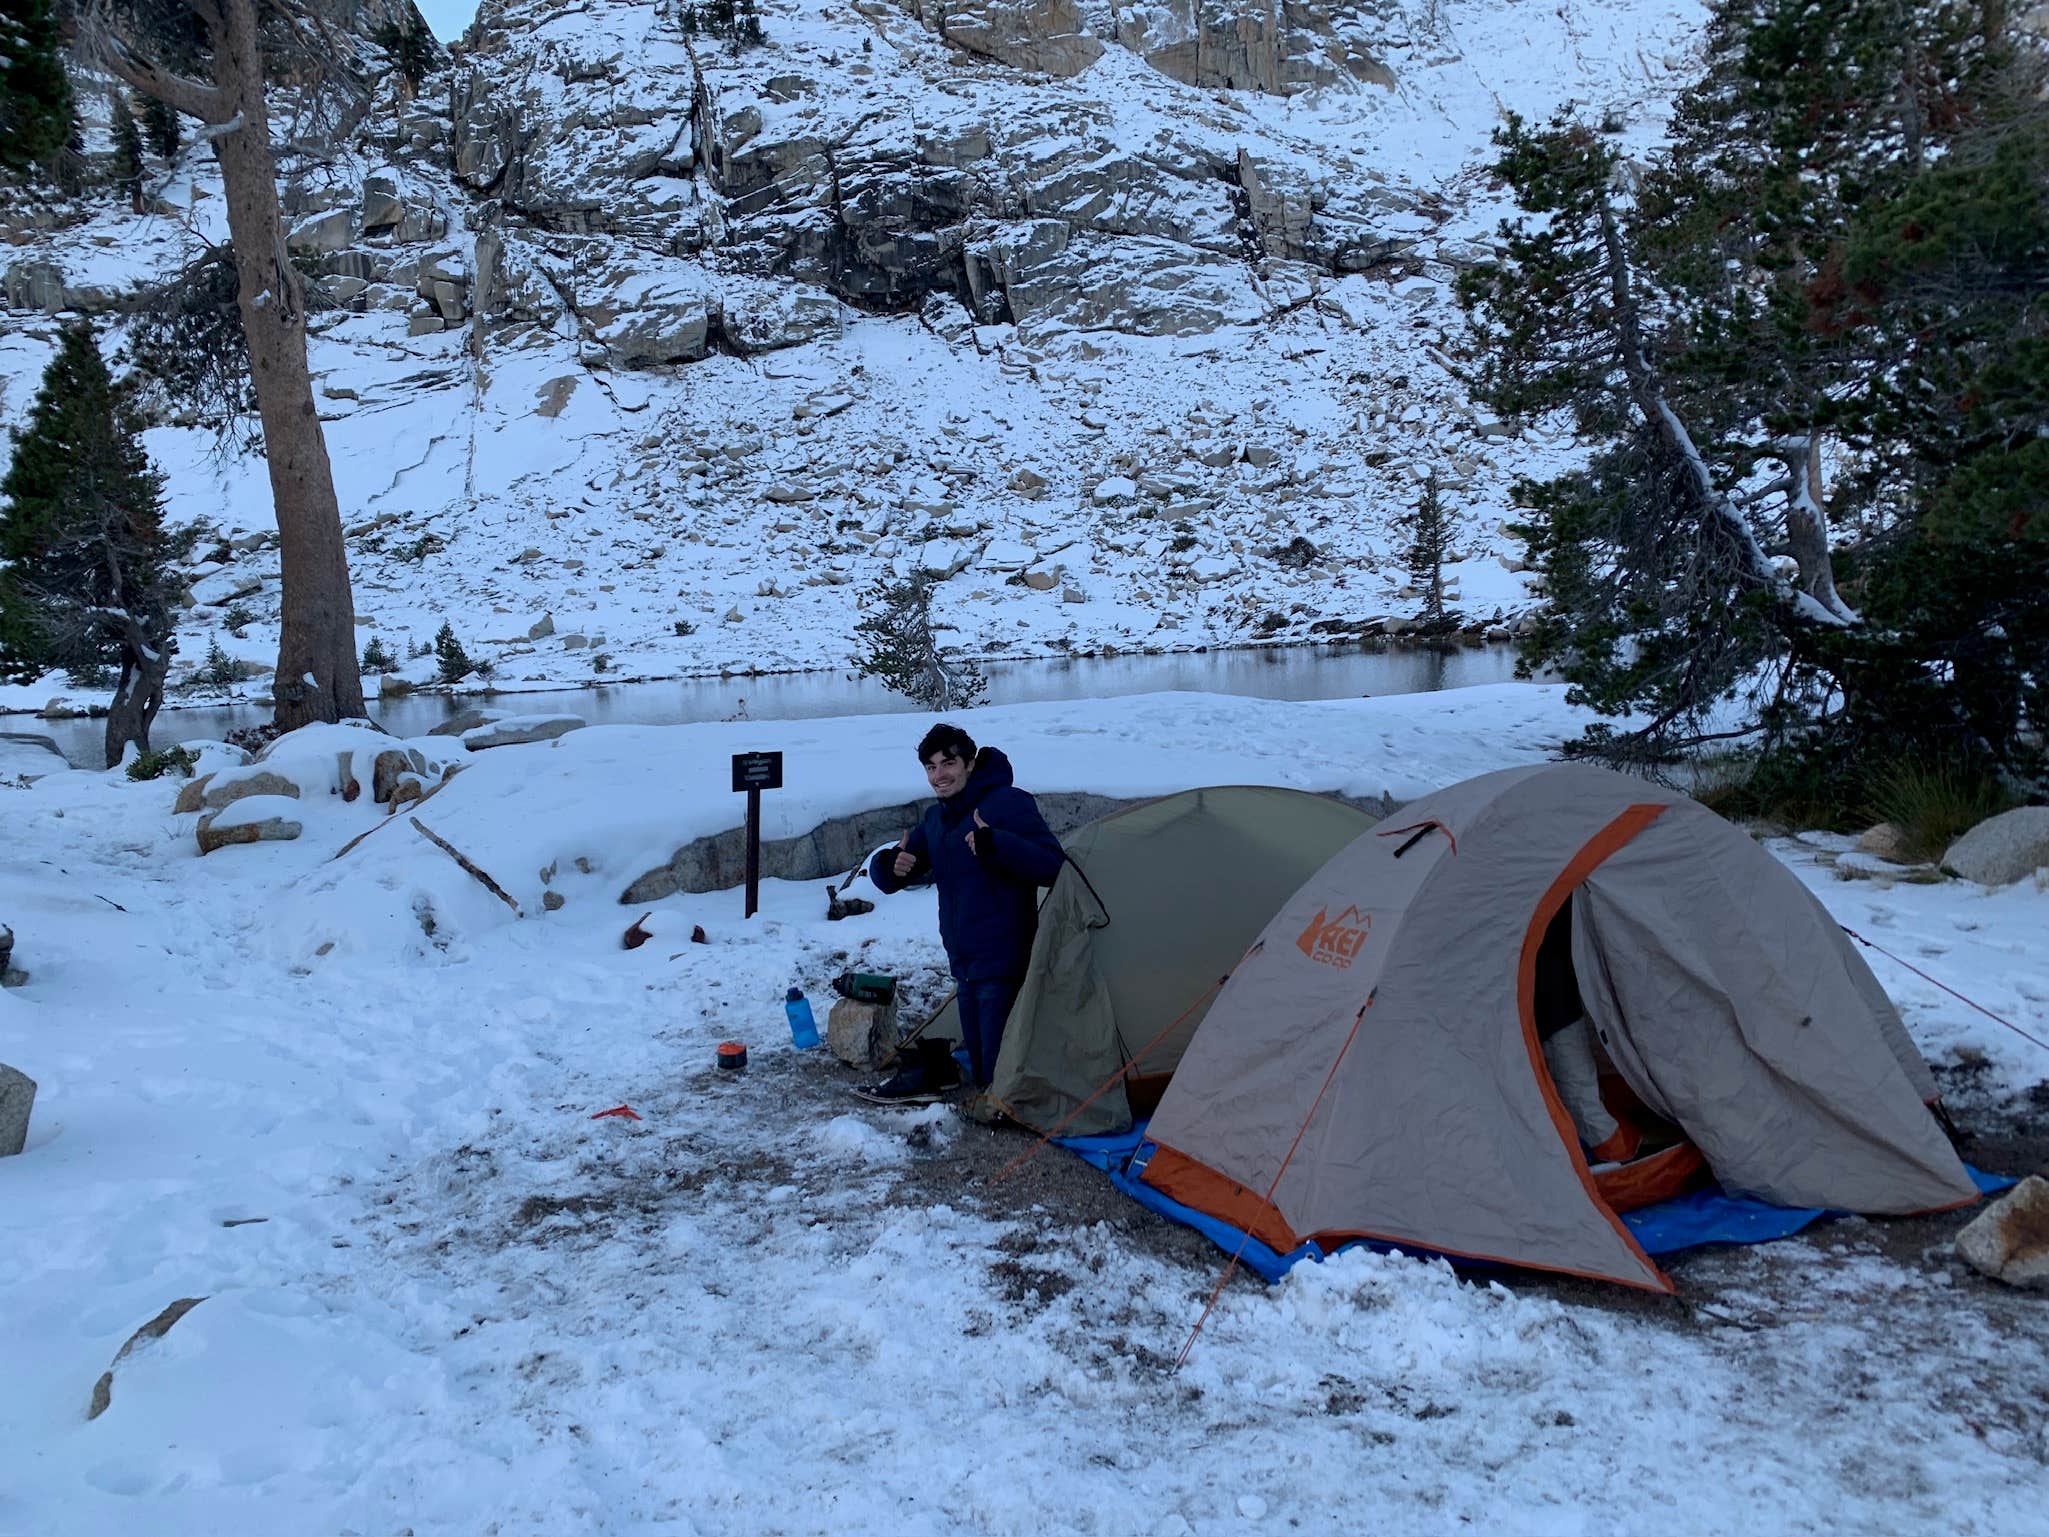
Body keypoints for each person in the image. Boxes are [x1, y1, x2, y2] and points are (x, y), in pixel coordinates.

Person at [865, 723, 1064, 1108]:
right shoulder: (937, 819)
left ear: (970, 763)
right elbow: (888, 875)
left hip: (1005, 961)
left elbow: (1054, 866)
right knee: (979, 1070)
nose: (939, 775)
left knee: (996, 1076)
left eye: (948, 763)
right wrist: (891, 865)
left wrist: (997, 844)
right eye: (931, 767)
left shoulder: (1007, 803)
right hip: (964, 963)